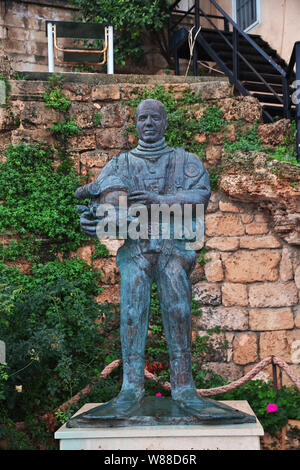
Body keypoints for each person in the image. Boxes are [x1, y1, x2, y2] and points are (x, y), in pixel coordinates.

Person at [72, 99, 250, 423]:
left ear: (165, 123)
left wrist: (158, 199)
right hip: (136, 252)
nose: (149, 123)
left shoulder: (185, 161)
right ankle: (130, 388)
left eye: (155, 118)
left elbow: (200, 195)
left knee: (179, 312)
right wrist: (91, 224)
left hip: (172, 251)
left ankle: (184, 388)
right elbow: (101, 208)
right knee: (130, 312)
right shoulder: (119, 165)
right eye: (143, 118)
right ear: (136, 124)